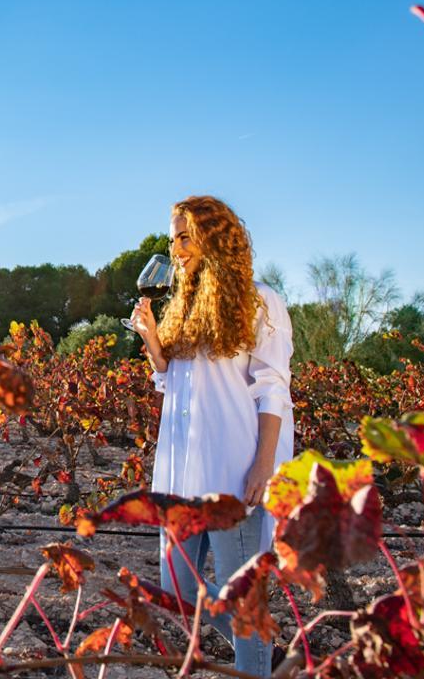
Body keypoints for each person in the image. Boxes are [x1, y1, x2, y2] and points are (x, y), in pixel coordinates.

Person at [128, 195, 293, 677]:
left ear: (214, 239)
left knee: (238, 600)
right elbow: (173, 380)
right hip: (180, 472)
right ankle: (269, 652)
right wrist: (154, 342)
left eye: (185, 237)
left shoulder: (259, 299)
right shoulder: (184, 305)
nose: (176, 249)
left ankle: (259, 661)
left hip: (230, 468)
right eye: (172, 238)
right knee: (178, 591)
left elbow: (272, 389)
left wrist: (263, 465)